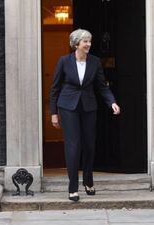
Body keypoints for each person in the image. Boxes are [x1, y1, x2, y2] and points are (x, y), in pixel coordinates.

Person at [50, 29, 120, 202]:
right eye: (85, 41)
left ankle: (88, 181)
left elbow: (102, 86)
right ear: (76, 44)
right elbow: (55, 88)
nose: (88, 44)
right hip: (68, 107)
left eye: (89, 41)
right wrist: (53, 113)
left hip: (89, 107)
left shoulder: (95, 62)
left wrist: (112, 101)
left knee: (89, 145)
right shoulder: (64, 61)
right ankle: (72, 187)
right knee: (73, 146)